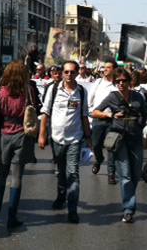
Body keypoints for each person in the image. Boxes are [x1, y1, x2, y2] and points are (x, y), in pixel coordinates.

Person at [92, 68, 147, 223]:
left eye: (124, 81)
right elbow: (95, 112)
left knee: (136, 174)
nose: (121, 84)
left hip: (135, 138)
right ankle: (128, 209)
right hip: (119, 139)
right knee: (125, 175)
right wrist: (110, 115)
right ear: (115, 83)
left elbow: (146, 114)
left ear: (129, 82)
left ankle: (129, 200)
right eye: (118, 81)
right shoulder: (112, 97)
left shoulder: (137, 96)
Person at [39, 61, 92, 224]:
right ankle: (61, 195)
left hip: (75, 139)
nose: (69, 75)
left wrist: (89, 137)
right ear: (62, 73)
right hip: (56, 139)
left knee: (73, 174)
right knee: (60, 172)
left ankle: (73, 209)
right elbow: (45, 113)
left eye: (72, 72)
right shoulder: (53, 90)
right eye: (66, 72)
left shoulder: (81, 92)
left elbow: (84, 116)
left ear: (77, 74)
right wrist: (42, 135)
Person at [0, 60, 36, 227]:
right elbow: (32, 112)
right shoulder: (28, 91)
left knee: (1, 175)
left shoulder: (0, 92)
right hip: (22, 135)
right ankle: (12, 217)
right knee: (17, 177)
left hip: (4, 136)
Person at [88, 59, 118, 184]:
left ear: (114, 70)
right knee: (96, 145)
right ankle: (98, 159)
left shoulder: (117, 84)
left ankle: (111, 174)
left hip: (112, 120)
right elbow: (89, 100)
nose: (105, 69)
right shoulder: (98, 82)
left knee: (111, 147)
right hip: (98, 118)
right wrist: (92, 113)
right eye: (104, 67)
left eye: (108, 67)